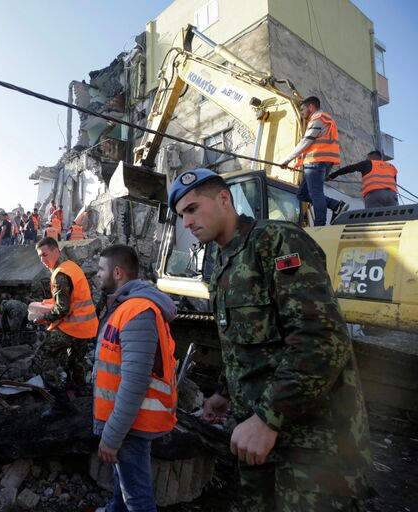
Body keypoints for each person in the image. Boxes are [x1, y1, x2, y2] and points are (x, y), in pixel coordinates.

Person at [168, 168, 371, 510]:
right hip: (259, 441)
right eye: (181, 215)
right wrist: (223, 392)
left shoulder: (278, 241)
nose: (186, 222)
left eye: (192, 208)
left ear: (223, 199)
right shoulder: (220, 260)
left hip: (312, 448)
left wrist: (268, 418)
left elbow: (321, 339)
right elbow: (240, 341)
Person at [94, 245, 178, 512]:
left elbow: (135, 381)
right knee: (124, 484)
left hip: (131, 424)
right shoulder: (127, 306)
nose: (97, 275)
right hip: (128, 421)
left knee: (137, 498)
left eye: (100, 270)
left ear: (117, 272)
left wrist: (112, 435)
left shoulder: (138, 312)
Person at [33, 237, 98, 418]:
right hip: (87, 326)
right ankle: (81, 394)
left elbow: (62, 308)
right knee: (75, 359)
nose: (42, 260)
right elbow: (74, 298)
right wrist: (49, 303)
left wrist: (43, 318)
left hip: (74, 326)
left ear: (56, 251)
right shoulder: (71, 266)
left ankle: (62, 404)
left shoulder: (60, 274)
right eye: (39, 257)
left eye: (45, 255)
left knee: (41, 358)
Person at [280, 96, 348, 226]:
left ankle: (319, 225)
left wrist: (287, 160)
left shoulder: (318, 118)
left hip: (316, 162)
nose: (301, 113)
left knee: (316, 194)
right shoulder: (325, 119)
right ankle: (336, 205)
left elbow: (306, 142)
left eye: (302, 110)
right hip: (321, 162)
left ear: (311, 107)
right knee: (302, 194)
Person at [328, 149, 399, 208]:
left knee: (373, 220)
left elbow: (349, 168)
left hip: (375, 195)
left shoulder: (368, 163)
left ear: (372, 157)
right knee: (393, 219)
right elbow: (394, 183)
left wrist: (331, 176)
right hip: (392, 196)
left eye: (367, 158)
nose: (366, 159)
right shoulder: (391, 167)